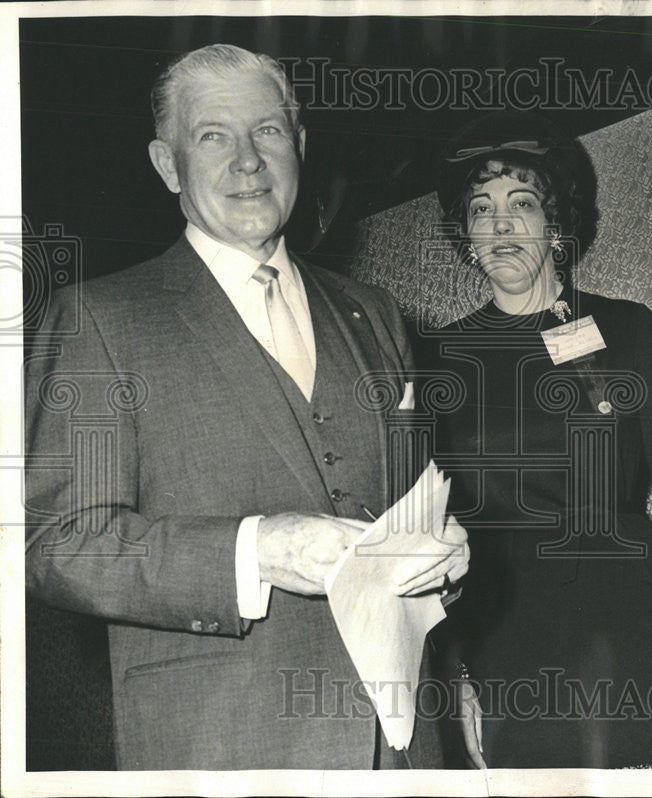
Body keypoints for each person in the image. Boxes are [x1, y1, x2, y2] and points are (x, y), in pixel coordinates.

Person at [24, 43, 469, 770]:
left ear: (298, 146)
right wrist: (254, 549)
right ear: (168, 165)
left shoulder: (373, 313)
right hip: (225, 744)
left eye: (266, 131)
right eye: (212, 136)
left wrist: (442, 556)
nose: (247, 161)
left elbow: (404, 507)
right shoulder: (98, 320)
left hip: (407, 748)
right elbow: (56, 544)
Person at [420, 111, 652, 769]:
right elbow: (424, 535)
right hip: (502, 642)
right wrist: (453, 677)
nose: (502, 224)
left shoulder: (631, 332)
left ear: (557, 220)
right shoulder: (434, 360)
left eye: (523, 202)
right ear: (465, 230)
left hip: (634, 626)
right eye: (481, 207)